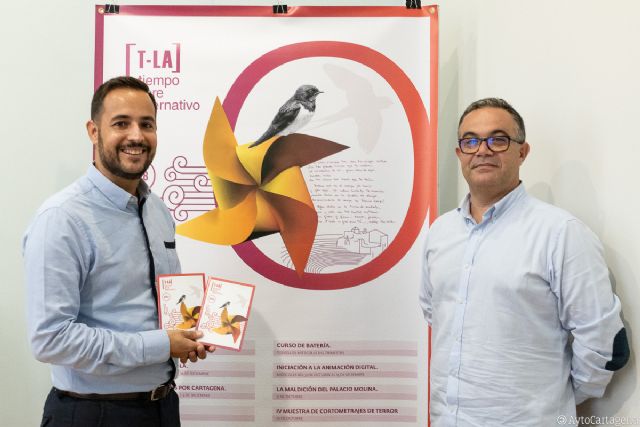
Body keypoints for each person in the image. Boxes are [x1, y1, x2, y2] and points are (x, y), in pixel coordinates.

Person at [419, 98, 629, 426]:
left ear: (522, 152)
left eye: (498, 139)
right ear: (459, 154)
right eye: (470, 141)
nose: (483, 150)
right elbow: (434, 312)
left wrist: (552, 400)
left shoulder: (560, 233)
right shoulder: (440, 233)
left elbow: (603, 341)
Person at [23, 76, 213, 427]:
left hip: (163, 407)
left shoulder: (157, 209)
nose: (136, 136)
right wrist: (161, 345)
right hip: (93, 413)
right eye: (121, 123)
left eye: (147, 124)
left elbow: (158, 304)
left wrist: (188, 336)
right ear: (93, 131)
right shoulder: (61, 219)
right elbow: (51, 339)